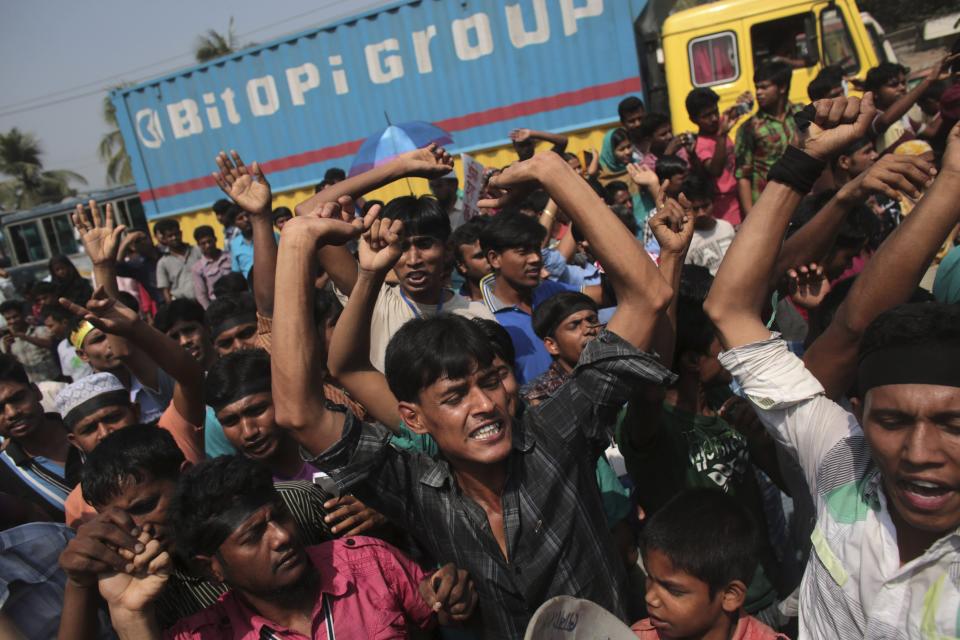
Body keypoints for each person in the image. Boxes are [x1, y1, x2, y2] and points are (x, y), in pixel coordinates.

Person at [272, 148, 676, 637]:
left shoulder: (556, 435)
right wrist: (295, 246)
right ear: (413, 418)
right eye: (454, 395)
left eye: (492, 380)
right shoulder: (416, 489)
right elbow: (299, 412)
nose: (484, 405)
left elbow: (648, 296)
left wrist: (552, 172)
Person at [705, 95, 960, 636]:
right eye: (891, 422)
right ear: (855, 414)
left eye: (952, 425)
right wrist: (804, 161)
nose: (920, 454)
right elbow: (730, 308)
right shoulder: (843, 466)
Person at [98, 455, 478, 639]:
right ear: (211, 568)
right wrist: (129, 614)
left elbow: (441, 618)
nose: (281, 537)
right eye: (253, 536)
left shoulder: (369, 562)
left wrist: (452, 602)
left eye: (278, 517)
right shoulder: (207, 635)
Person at [56, 426, 344, 633]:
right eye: (120, 519)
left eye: (146, 505)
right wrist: (80, 584)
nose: (140, 527)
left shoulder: (295, 502)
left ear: (184, 475)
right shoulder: (148, 589)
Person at [632, 489, 787, 640]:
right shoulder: (637, 636)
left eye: (674, 590)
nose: (650, 597)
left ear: (730, 595)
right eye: (650, 578)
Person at [478, 211, 602, 384]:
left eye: (537, 249)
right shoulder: (483, 319)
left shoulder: (550, 290)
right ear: (494, 259)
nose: (536, 258)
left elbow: (607, 295)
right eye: (523, 252)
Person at [154, 298, 236, 458]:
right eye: (174, 337)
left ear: (206, 328)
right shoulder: (170, 385)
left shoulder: (236, 368)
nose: (185, 341)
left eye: (189, 330)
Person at [0, 354, 74, 520]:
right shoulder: (4, 475)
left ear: (36, 392)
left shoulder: (91, 428)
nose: (12, 413)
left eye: (18, 398)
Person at [735, 61, 802, 215]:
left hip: (801, 200)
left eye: (764, 87)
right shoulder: (749, 128)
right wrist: (750, 215)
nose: (758, 92)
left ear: (782, 88)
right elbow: (743, 176)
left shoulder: (801, 114)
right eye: (757, 87)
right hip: (768, 207)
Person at [867, 54, 957, 154]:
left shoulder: (904, 118)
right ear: (875, 93)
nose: (902, 88)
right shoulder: (870, 117)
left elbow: (931, 131)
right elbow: (885, 121)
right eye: (894, 85)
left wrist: (951, 101)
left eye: (903, 83)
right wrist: (929, 80)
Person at [683, 87, 748, 225]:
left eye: (715, 112)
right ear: (694, 119)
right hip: (723, 206)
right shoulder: (701, 144)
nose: (713, 119)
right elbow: (715, 170)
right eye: (706, 116)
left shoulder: (720, 124)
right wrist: (721, 136)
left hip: (739, 195)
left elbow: (741, 110)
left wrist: (745, 102)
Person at [681, 173, 736, 275]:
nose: (701, 213)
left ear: (713, 202)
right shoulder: (686, 240)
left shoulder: (727, 227)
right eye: (695, 208)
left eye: (705, 206)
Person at [0, 299, 60, 383]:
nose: (12, 321)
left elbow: (49, 344)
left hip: (55, 379)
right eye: (8, 319)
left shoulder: (40, 330)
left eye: (15, 317)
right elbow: (11, 366)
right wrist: (7, 349)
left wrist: (24, 336)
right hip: (34, 384)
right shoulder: (5, 341)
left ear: (23, 314)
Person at [41, 304, 92, 382]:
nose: (50, 331)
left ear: (64, 322)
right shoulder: (61, 347)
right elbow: (68, 376)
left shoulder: (88, 337)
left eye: (51, 326)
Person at [154, 220, 201, 303]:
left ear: (181, 233)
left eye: (176, 234)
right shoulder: (163, 263)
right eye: (170, 236)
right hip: (183, 305)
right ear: (164, 239)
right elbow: (166, 291)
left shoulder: (197, 250)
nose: (174, 238)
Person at [448, 217, 491, 302]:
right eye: (480, 256)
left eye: (492, 253)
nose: (490, 259)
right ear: (462, 266)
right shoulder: (454, 306)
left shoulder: (519, 299)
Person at [189, 225, 231, 309]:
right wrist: (210, 311)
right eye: (203, 243)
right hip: (217, 305)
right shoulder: (197, 268)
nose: (207, 245)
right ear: (198, 245)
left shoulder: (230, 257)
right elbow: (201, 295)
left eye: (209, 241)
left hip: (237, 300)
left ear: (215, 239)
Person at [617, 95, 646, 160]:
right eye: (632, 121)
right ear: (623, 123)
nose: (637, 124)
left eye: (640, 118)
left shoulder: (656, 138)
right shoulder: (621, 146)